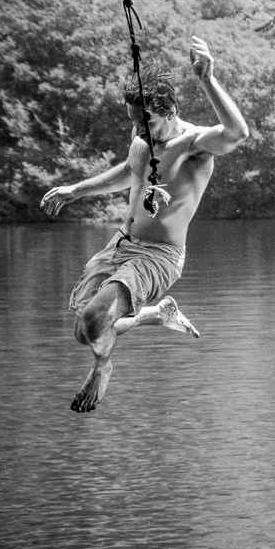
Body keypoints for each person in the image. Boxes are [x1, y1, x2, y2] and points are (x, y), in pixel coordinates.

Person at [40, 36, 248, 413]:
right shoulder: (141, 141)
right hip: (122, 244)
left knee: (94, 321)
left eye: (146, 121)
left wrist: (207, 79)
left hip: (159, 255)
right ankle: (157, 315)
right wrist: (76, 190)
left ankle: (102, 370)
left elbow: (237, 134)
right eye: (134, 122)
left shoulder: (193, 145)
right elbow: (128, 173)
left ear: (168, 111)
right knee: (84, 331)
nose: (139, 130)